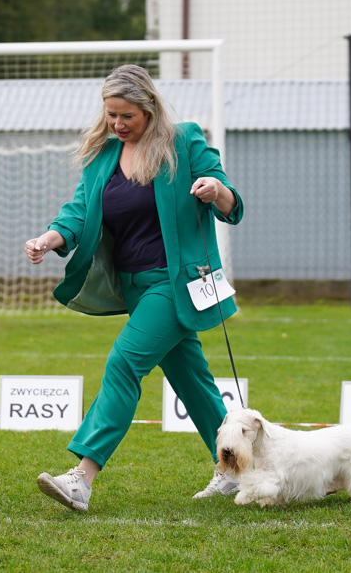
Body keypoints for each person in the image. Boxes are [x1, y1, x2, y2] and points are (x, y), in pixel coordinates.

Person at [24, 64, 244, 511]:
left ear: (149, 108)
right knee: (193, 380)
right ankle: (242, 471)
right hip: (134, 288)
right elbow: (79, 210)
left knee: (123, 363)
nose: (119, 125)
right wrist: (49, 239)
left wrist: (213, 188)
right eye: (111, 115)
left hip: (175, 282)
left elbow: (232, 205)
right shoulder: (103, 155)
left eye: (128, 116)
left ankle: (81, 478)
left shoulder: (184, 140)